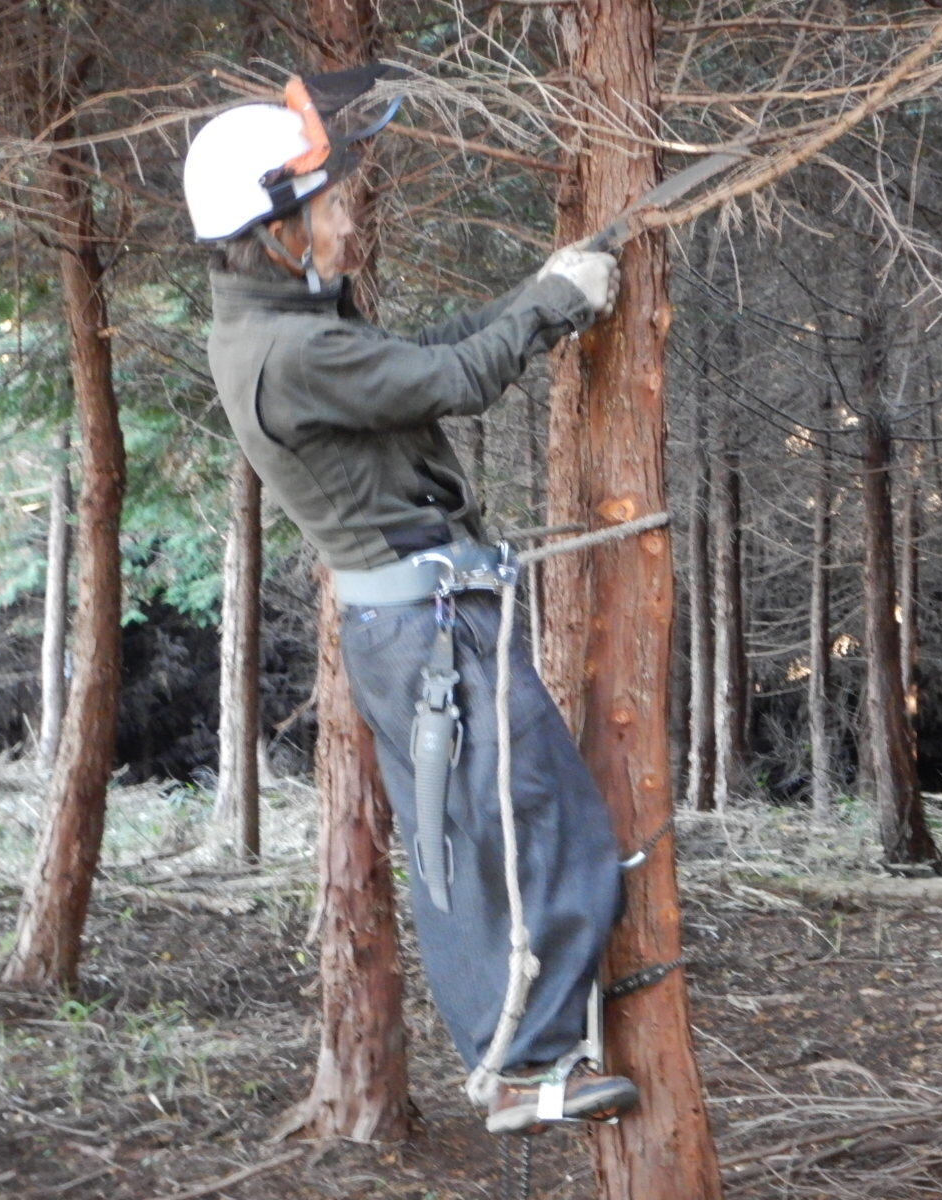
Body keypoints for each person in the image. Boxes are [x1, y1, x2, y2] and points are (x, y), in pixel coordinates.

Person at [181, 64, 637, 1135]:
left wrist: (537, 294)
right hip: (430, 630)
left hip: (417, 625)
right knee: (533, 825)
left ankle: (526, 1049)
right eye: (327, 208)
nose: (344, 224)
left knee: (482, 836)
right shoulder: (292, 352)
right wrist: (553, 306)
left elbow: (417, 352)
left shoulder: (279, 327)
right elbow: (454, 381)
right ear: (276, 232)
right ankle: (527, 1065)